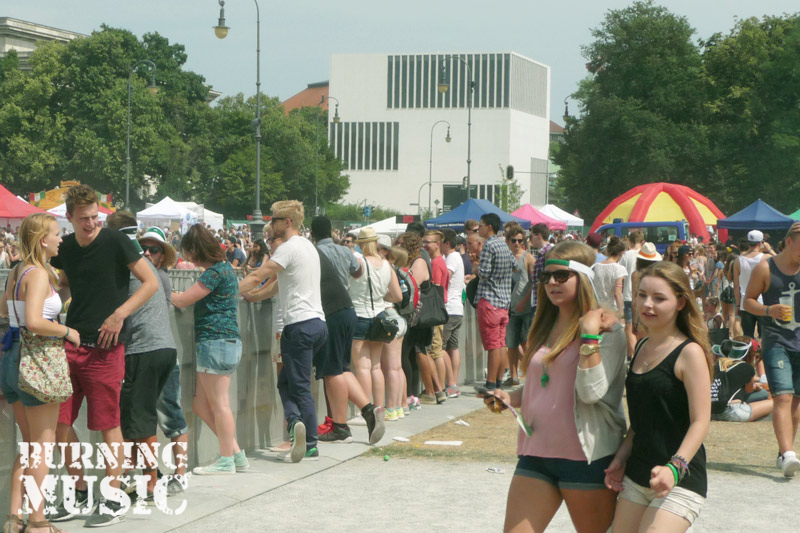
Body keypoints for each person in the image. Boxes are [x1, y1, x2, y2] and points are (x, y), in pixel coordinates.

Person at [484, 240, 627, 532]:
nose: (551, 283)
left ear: (584, 278)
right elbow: (542, 385)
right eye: (546, 276)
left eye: (561, 276)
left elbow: (591, 393)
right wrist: (508, 398)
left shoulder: (608, 331)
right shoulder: (544, 326)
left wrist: (589, 337)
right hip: (535, 454)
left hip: (586, 457)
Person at [49, 185, 158, 527]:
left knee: (108, 424)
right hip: (70, 343)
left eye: (95, 216)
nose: (91, 223)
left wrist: (119, 314)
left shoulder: (116, 241)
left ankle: (113, 497)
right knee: (59, 422)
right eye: (84, 218)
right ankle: (80, 491)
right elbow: (65, 282)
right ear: (69, 217)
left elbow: (151, 282)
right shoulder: (66, 247)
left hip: (106, 348)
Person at [606, 261, 712, 532]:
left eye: (659, 298)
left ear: (680, 303)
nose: (647, 304)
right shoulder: (641, 346)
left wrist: (674, 468)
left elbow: (701, 421)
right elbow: (642, 421)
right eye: (642, 295)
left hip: (681, 479)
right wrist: (621, 458)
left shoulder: (690, 353)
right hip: (637, 475)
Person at [1, 213, 79, 533]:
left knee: (30, 445)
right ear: (42, 240)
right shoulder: (38, 274)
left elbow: (5, 311)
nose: (61, 238)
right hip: (37, 360)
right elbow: (34, 321)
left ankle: (14, 517)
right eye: (57, 233)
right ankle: (37, 521)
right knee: (42, 447)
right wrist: (66, 331)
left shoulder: (16, 271)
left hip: (12, 358)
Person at [239, 201, 328, 462]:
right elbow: (279, 284)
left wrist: (229, 290)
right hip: (317, 323)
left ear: (287, 222)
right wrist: (256, 296)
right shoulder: (308, 247)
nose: (271, 225)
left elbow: (258, 276)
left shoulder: (288, 248)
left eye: (275, 220)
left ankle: (308, 441)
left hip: (299, 325)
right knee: (287, 382)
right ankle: (296, 423)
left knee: (299, 387)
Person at [106, 212, 179, 499]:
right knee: (136, 419)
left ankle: (151, 483)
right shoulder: (147, 265)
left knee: (141, 421)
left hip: (142, 349)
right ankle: (135, 477)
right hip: (164, 348)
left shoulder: (124, 263)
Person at [173, 224, 245, 474]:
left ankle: (226, 460)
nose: (188, 258)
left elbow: (182, 300)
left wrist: (162, 291)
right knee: (201, 405)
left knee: (220, 405)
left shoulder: (213, 274)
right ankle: (235, 453)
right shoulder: (227, 270)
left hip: (214, 342)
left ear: (196, 249)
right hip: (227, 342)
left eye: (189, 252)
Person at [309, 216, 384, 445]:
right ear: (331, 231)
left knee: (331, 370)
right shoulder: (344, 250)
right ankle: (369, 409)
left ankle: (340, 426)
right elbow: (358, 271)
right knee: (342, 367)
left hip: (329, 311)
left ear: (312, 233)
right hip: (348, 309)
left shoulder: (314, 252)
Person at [743, 222, 800, 477]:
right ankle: (788, 454)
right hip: (776, 341)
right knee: (783, 396)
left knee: (796, 402)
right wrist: (768, 310)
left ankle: (784, 452)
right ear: (789, 241)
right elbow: (748, 301)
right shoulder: (766, 268)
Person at [137, 226, 189, 494]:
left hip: (159, 352)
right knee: (149, 417)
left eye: (153, 249)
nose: (147, 253)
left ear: (162, 255)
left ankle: (179, 474)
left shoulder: (159, 278)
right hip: (150, 352)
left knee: (170, 416)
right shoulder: (146, 275)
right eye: (143, 248)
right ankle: (155, 474)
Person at [348, 227, 402, 410]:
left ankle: (366, 410)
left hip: (359, 315)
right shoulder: (386, 265)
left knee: (362, 367)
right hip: (380, 315)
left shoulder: (359, 262)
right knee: (376, 366)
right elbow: (397, 296)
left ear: (361, 244)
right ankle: (379, 408)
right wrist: (380, 296)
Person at [475, 213, 515, 391]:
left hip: (490, 299)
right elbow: (515, 265)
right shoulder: (503, 244)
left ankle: (490, 382)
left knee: (493, 345)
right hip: (504, 301)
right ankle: (497, 380)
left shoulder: (489, 245)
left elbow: (483, 273)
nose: (479, 228)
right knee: (500, 343)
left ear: (489, 227)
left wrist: (476, 266)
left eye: (481, 225)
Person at [710, 338, 773, 422]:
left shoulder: (717, 364)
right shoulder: (747, 367)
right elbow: (749, 390)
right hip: (733, 411)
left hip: (710, 411)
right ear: (749, 355)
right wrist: (755, 387)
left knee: (762, 394)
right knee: (775, 402)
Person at [504, 223, 535, 388]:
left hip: (525, 307)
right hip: (509, 307)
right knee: (511, 343)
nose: (517, 243)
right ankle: (514, 375)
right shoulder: (505, 257)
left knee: (526, 342)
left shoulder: (528, 258)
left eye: (520, 240)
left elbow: (534, 282)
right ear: (508, 241)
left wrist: (525, 301)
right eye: (513, 240)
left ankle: (532, 374)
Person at [422, 229, 450, 403]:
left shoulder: (436, 263)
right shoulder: (438, 261)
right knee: (436, 350)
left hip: (436, 311)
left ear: (437, 244)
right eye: (424, 242)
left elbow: (437, 288)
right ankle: (440, 389)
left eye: (428, 242)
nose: (425, 245)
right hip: (439, 309)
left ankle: (439, 389)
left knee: (436, 351)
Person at [735, 230, 775, 338]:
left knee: (747, 337)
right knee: (764, 337)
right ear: (761, 243)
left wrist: (738, 304)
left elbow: (736, 286)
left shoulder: (738, 260)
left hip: (745, 302)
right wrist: (769, 249)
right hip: (762, 303)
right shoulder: (766, 258)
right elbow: (782, 262)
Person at [441, 229, 465, 397]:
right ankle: (453, 383)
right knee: (453, 347)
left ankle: (450, 383)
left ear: (446, 243)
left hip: (449, 308)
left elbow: (445, 278)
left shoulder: (451, 258)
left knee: (440, 348)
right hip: (457, 308)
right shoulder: (457, 257)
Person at [619, 230, 644, 357]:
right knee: (643, 325)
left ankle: (632, 354)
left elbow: (621, 276)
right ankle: (641, 351)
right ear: (642, 241)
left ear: (630, 241)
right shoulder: (645, 254)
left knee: (629, 325)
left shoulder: (626, 255)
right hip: (642, 294)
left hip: (628, 294)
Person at [592, 236, 628, 315]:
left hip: (597, 309)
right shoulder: (620, 269)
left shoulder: (596, 266)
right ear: (620, 254)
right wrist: (621, 313)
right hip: (612, 310)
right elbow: (617, 293)